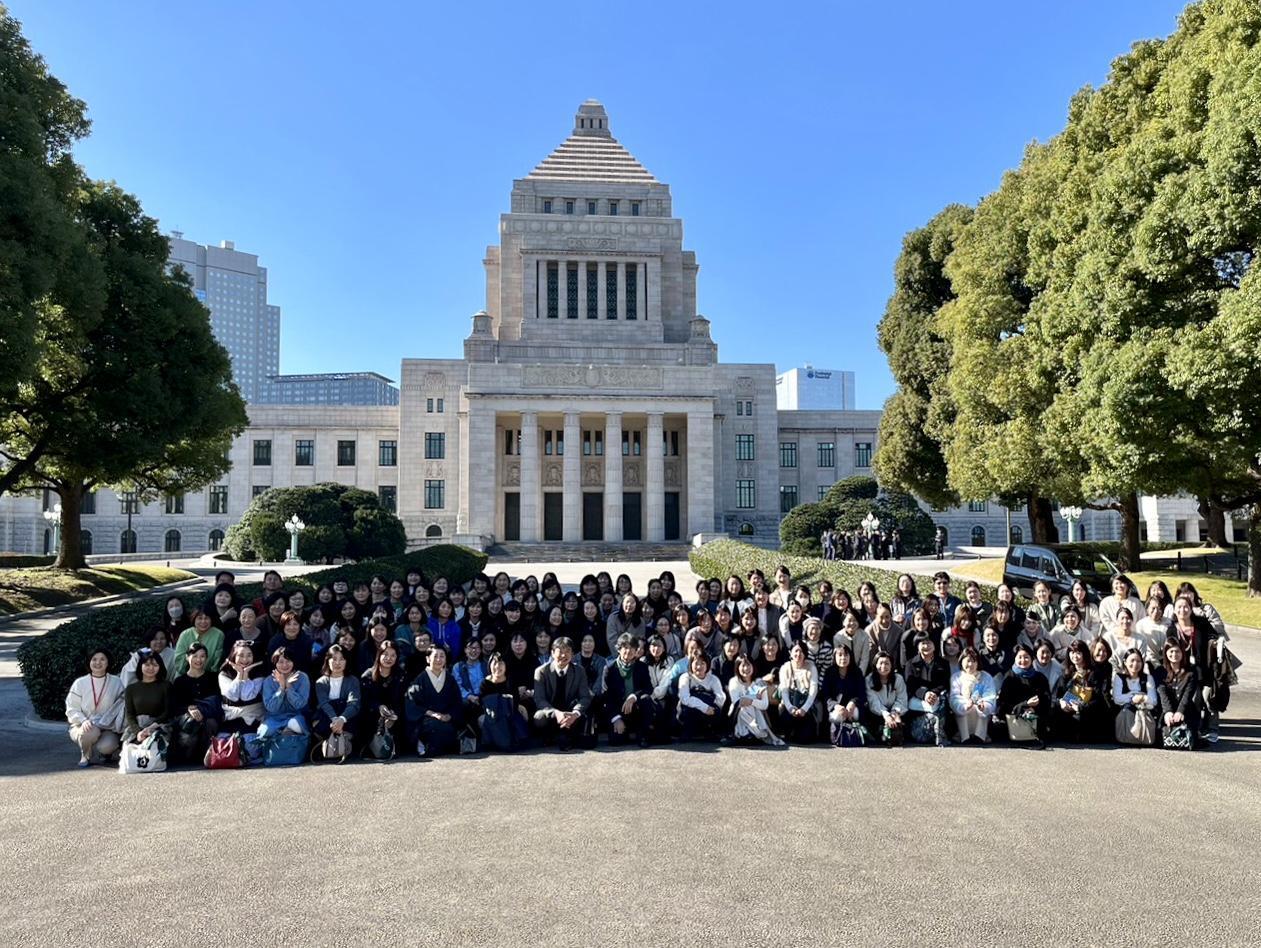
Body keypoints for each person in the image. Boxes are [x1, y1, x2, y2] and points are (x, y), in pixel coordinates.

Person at [1166, 594, 1225, 743]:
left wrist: (1214, 643)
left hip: (1205, 669)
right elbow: (1170, 650)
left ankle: (1213, 728)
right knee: (1194, 699)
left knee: (1208, 697)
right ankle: (1195, 728)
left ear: (1191, 608)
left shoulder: (1201, 623)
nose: (1183, 610)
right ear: (1174, 610)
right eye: (1179, 607)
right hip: (1185, 673)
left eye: (1186, 606)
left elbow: (1214, 636)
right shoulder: (1172, 629)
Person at [65, 649, 125, 767]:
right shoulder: (80, 683)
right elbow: (72, 707)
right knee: (88, 732)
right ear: (89, 662)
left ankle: (106, 753)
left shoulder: (116, 682)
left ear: (108, 662)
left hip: (107, 726)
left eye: (102, 659)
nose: (98, 663)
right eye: (94, 659)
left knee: (107, 746)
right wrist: (83, 720)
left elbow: (121, 705)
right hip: (84, 725)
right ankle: (85, 755)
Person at [533, 636, 593, 751]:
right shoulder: (541, 671)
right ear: (552, 653)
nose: (564, 655)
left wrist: (575, 713)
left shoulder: (579, 671)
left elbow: (585, 697)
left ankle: (566, 734)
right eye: (560, 651)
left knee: (583, 715)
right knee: (539, 717)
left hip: (570, 712)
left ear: (572, 654)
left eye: (567, 652)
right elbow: (539, 700)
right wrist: (556, 713)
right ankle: (549, 736)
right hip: (551, 713)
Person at [405, 645, 464, 757]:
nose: (438, 659)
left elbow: (457, 702)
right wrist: (432, 714)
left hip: (446, 719)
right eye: (435, 656)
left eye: (442, 656)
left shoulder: (450, 679)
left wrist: (449, 715)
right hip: (427, 720)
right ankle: (425, 745)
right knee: (434, 726)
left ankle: (435, 747)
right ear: (428, 659)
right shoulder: (420, 679)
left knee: (448, 728)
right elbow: (412, 704)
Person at [1051, 639, 1112, 743]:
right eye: (1072, 652)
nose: (1075, 656)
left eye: (1078, 653)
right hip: (1068, 712)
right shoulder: (1066, 674)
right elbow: (1054, 697)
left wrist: (1080, 707)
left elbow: (1099, 699)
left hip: (1087, 713)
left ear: (1084, 654)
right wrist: (1061, 702)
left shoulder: (1093, 674)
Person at [170, 642, 221, 763]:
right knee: (190, 723)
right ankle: (187, 756)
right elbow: (174, 706)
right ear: (187, 657)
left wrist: (201, 711)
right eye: (195, 656)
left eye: (202, 656)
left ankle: (208, 755)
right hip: (187, 718)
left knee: (211, 723)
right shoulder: (179, 681)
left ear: (207, 658)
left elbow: (217, 701)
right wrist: (189, 709)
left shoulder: (214, 678)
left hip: (208, 715)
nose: (199, 659)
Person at [601, 633, 654, 746]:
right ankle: (623, 730)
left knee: (646, 699)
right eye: (625, 648)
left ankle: (643, 734)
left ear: (636, 651)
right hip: (618, 711)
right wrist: (616, 718)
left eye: (632, 648)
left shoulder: (642, 667)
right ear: (619, 649)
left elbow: (648, 688)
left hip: (636, 707)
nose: (628, 651)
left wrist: (633, 696)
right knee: (616, 742)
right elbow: (606, 696)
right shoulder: (609, 669)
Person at [312, 645, 361, 757]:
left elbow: (354, 703)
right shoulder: (321, 682)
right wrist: (335, 720)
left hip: (346, 718)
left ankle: (343, 741)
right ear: (327, 661)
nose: (338, 663)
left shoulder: (352, 680)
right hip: (328, 718)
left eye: (341, 659)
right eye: (334, 659)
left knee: (353, 713)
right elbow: (324, 703)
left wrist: (342, 719)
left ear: (346, 661)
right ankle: (331, 742)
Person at [997, 644, 1050, 747]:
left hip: (1036, 719)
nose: (1023, 660)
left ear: (1032, 658)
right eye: (1019, 657)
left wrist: (1034, 709)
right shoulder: (1010, 677)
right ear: (1015, 659)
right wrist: (1025, 705)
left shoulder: (1040, 678)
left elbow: (1046, 700)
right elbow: (1003, 704)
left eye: (1026, 657)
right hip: (1015, 722)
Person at [360, 640, 406, 750]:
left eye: (393, 655)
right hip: (372, 714)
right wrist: (379, 707)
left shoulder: (400, 675)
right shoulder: (368, 675)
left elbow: (401, 700)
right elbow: (365, 700)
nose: (389, 658)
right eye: (385, 654)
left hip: (394, 715)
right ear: (379, 655)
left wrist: (394, 715)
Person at [904, 634, 949, 746]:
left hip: (935, 696)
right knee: (931, 708)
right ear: (917, 646)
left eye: (929, 643)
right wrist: (924, 694)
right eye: (922, 643)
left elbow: (944, 683)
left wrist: (933, 693)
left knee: (940, 702)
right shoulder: (910, 663)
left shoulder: (943, 663)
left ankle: (939, 734)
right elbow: (911, 685)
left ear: (934, 645)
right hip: (917, 698)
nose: (926, 646)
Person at [122, 649, 173, 746]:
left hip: (160, 726)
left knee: (154, 746)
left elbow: (168, 712)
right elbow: (129, 715)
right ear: (140, 666)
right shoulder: (131, 688)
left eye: (155, 665)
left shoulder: (166, 686)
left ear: (160, 667)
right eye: (147, 664)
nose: (151, 668)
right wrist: (138, 732)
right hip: (138, 728)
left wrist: (152, 727)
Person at [259, 647, 310, 739]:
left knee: (295, 724)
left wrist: (289, 687)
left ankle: (285, 733)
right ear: (275, 663)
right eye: (281, 662)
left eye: (288, 661)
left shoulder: (302, 677)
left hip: (295, 716)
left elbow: (299, 704)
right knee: (266, 730)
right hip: (274, 718)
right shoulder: (268, 681)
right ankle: (282, 734)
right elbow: (271, 708)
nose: (285, 665)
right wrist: (282, 687)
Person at [949, 647, 998, 744]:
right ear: (961, 661)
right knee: (965, 710)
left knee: (981, 711)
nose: (970, 664)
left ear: (978, 662)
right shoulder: (956, 677)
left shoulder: (986, 676)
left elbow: (990, 694)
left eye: (973, 661)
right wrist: (964, 705)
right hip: (964, 705)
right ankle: (963, 735)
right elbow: (954, 696)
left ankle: (980, 735)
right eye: (968, 661)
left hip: (980, 706)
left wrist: (984, 704)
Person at [1158, 640, 1201, 746]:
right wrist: (1168, 711)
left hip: (1186, 710)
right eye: (1171, 651)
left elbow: (1188, 694)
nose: (1174, 654)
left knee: (1189, 737)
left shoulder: (1191, 671)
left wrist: (1180, 711)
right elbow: (1162, 693)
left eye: (1177, 651)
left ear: (1182, 653)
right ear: (1166, 653)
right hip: (1167, 710)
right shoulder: (1160, 671)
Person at [219, 641, 266, 736]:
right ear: (234, 656)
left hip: (253, 718)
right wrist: (239, 676)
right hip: (230, 718)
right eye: (241, 655)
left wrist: (245, 677)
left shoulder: (259, 674)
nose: (245, 659)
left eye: (249, 655)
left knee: (249, 745)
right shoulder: (224, 674)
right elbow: (232, 696)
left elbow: (247, 697)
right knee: (222, 744)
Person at [822, 644, 867, 745]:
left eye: (846, 655)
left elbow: (862, 693)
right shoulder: (829, 672)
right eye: (840, 655)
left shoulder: (857, 672)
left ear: (850, 656)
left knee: (855, 713)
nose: (843, 658)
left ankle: (856, 736)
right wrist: (836, 706)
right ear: (835, 657)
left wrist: (853, 702)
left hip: (853, 708)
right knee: (837, 716)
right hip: (836, 708)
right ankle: (837, 735)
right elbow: (825, 695)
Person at [777, 641, 820, 744]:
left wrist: (804, 709)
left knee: (804, 739)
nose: (798, 654)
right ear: (790, 653)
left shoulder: (811, 667)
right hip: (790, 706)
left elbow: (813, 691)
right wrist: (790, 708)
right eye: (796, 651)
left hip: (806, 707)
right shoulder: (785, 668)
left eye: (801, 651)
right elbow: (784, 691)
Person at [1112, 647, 1158, 746]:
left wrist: (1142, 698)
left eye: (1138, 661)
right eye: (1132, 660)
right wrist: (1133, 697)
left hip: (1144, 712)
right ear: (1125, 662)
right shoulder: (1119, 678)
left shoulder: (1148, 678)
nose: (1135, 664)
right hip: (1125, 713)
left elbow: (1153, 700)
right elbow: (1117, 699)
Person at [678, 652, 727, 741]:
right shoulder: (685, 677)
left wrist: (713, 708)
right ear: (691, 664)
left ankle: (709, 731)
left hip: (709, 713)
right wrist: (704, 707)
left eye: (702, 663)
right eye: (696, 663)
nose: (699, 667)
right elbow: (684, 698)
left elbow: (721, 697)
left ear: (707, 665)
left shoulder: (713, 679)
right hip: (691, 712)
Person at [865, 651, 907, 745]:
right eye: (880, 663)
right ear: (875, 665)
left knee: (898, 723)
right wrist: (886, 715)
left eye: (887, 663)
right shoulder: (869, 680)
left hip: (895, 712)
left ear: (892, 665)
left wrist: (894, 713)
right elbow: (873, 702)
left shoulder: (898, 679)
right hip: (877, 714)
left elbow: (902, 699)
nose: (883, 666)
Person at [173, 610, 224, 678]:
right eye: (200, 618)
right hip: (184, 676)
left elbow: (217, 661)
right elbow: (179, 660)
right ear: (194, 619)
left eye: (206, 618)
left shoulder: (218, 635)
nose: (203, 621)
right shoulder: (185, 634)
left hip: (209, 678)